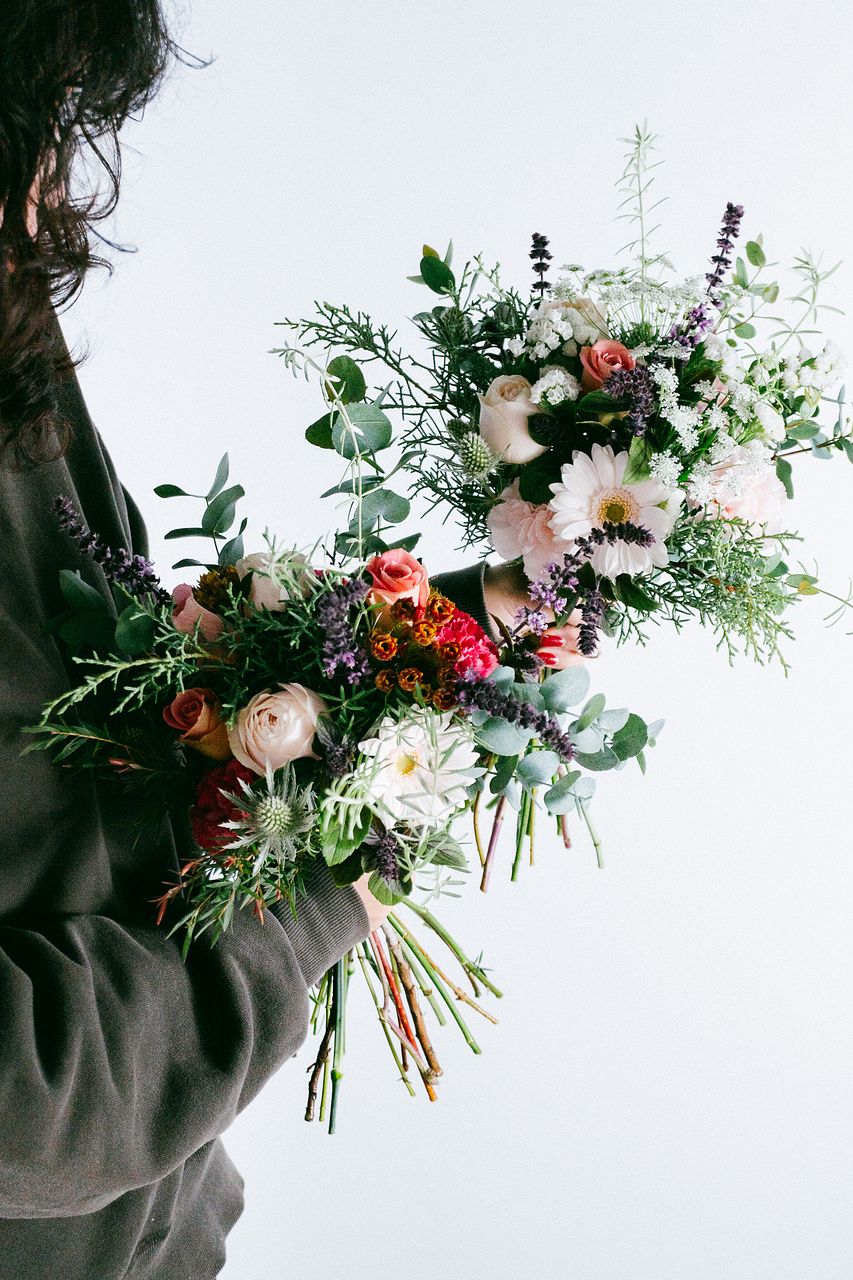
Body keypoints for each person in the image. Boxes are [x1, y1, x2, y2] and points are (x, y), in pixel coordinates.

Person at [0, 4, 576, 1277]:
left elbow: (130, 720)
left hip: (167, 1241)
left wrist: (457, 621)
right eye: (31, 136)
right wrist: (315, 903)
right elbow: (21, 1099)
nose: (48, 195)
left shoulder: (11, 347)